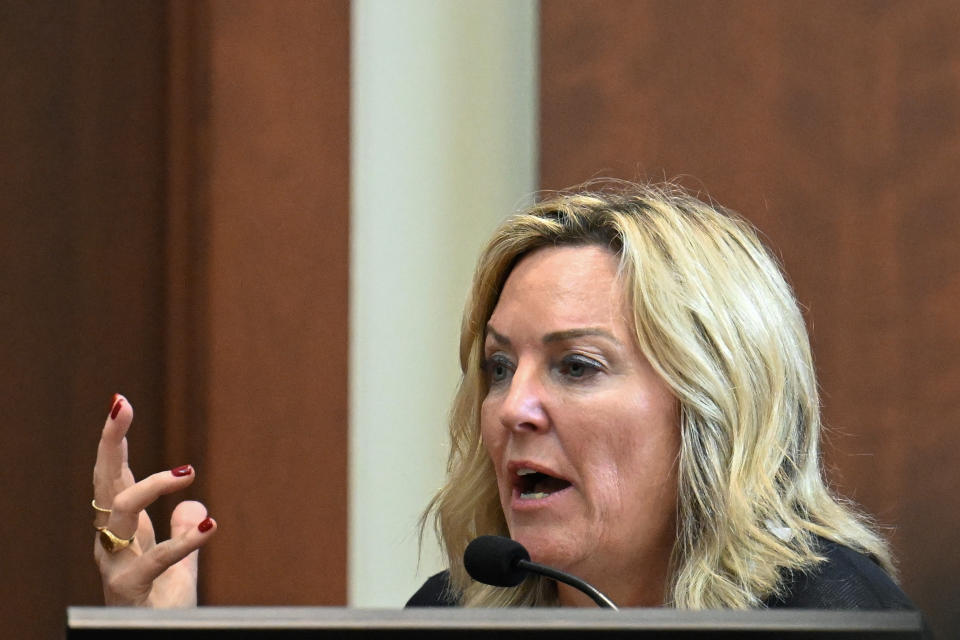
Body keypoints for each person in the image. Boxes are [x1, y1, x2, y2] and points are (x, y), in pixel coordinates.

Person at [93, 182, 915, 613]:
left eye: (577, 367)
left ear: (713, 407)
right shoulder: (464, 610)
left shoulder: (829, 612)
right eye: (497, 368)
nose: (514, 408)